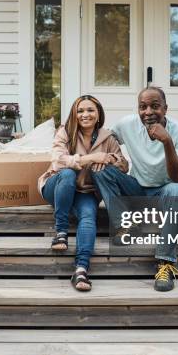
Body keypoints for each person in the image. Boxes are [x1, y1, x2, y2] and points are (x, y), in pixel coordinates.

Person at [91, 86, 178, 292]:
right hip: (136, 188)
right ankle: (125, 225)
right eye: (142, 107)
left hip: (164, 191)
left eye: (155, 106)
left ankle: (165, 263)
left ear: (165, 108)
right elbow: (103, 138)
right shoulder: (127, 124)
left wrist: (167, 141)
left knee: (177, 190)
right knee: (99, 169)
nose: (148, 112)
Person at [38, 95, 128, 292]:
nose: (85, 114)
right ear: (74, 114)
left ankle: (81, 269)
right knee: (68, 174)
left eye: (90, 110)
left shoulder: (108, 137)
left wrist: (109, 158)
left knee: (89, 217)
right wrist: (91, 158)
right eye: (80, 111)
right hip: (57, 186)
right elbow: (58, 160)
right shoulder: (66, 131)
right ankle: (61, 231)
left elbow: (124, 166)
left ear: (98, 114)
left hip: (85, 192)